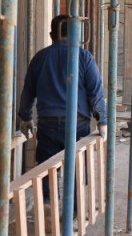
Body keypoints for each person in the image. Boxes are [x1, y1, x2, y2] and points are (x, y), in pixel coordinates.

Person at [17, 15, 108, 181]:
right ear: (75, 34)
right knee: (77, 174)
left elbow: (28, 91)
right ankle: (74, 206)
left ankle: (46, 204)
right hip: (77, 124)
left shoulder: (40, 58)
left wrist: (26, 117)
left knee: (47, 174)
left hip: (48, 124)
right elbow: (95, 92)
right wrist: (102, 120)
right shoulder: (84, 57)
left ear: (52, 35)